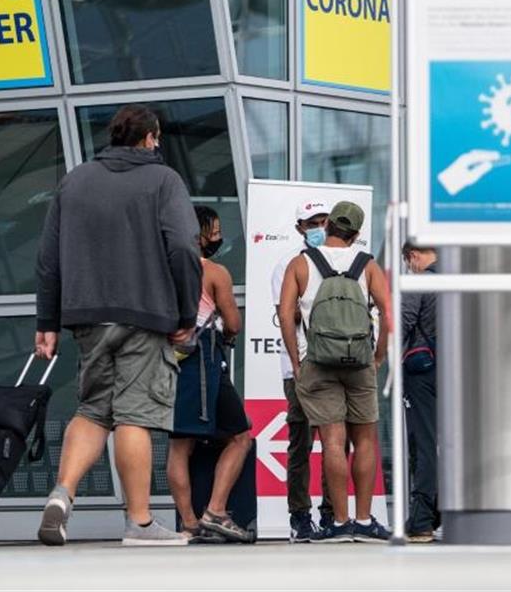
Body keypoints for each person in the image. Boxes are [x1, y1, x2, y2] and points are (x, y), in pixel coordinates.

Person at [33, 104, 202, 547]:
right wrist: (187, 314)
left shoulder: (76, 180)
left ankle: (61, 494)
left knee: (93, 410)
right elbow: (184, 246)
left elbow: (49, 260)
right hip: (145, 315)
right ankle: (141, 522)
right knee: (135, 416)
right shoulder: (164, 180)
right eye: (157, 137)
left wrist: (47, 321)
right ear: (149, 138)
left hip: (87, 316)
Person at [278, 201, 393, 543]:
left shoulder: (300, 264)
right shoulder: (368, 265)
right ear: (356, 234)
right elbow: (388, 314)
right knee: (365, 440)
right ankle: (363, 519)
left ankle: (339, 522)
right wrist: (378, 357)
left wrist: (297, 362)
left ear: (326, 227)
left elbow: (286, 315)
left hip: (317, 362)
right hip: (359, 362)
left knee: (332, 441)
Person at [167, 206, 253, 544]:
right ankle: (215, 512)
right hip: (203, 365)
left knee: (178, 447)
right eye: (214, 231)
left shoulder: (164, 269)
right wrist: (227, 336)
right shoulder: (215, 272)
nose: (218, 237)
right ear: (201, 234)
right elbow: (233, 324)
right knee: (239, 437)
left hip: (169, 364)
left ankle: (188, 523)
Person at [270, 200, 334, 542]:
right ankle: (300, 516)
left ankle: (331, 514)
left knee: (336, 442)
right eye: (313, 223)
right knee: (301, 443)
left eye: (324, 220)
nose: (320, 227)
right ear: (300, 229)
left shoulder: (343, 259)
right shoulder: (288, 265)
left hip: (337, 364)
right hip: (301, 365)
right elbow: (287, 315)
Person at [401, 242, 440, 543]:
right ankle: (450, 511)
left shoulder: (418, 281)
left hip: (424, 372)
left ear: (413, 256)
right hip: (462, 374)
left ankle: (422, 520)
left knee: (424, 443)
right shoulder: (462, 281)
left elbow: (402, 323)